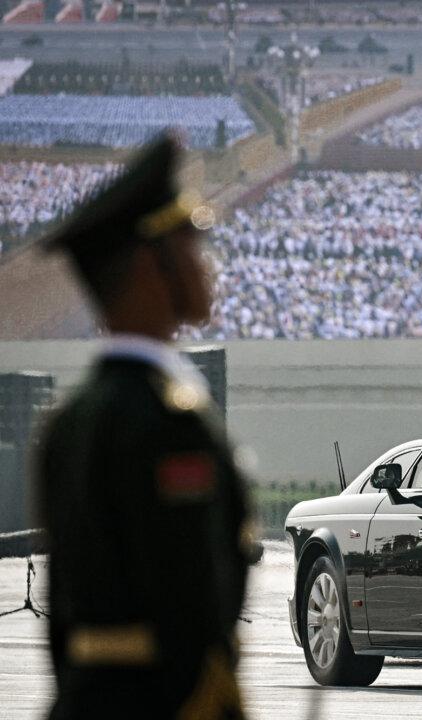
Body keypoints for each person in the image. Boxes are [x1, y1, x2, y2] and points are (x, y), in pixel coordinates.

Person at [34, 135, 255, 718]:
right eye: (190, 245)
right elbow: (190, 607)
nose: (205, 264)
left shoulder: (71, 419)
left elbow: (63, 624)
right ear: (149, 265)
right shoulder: (168, 422)